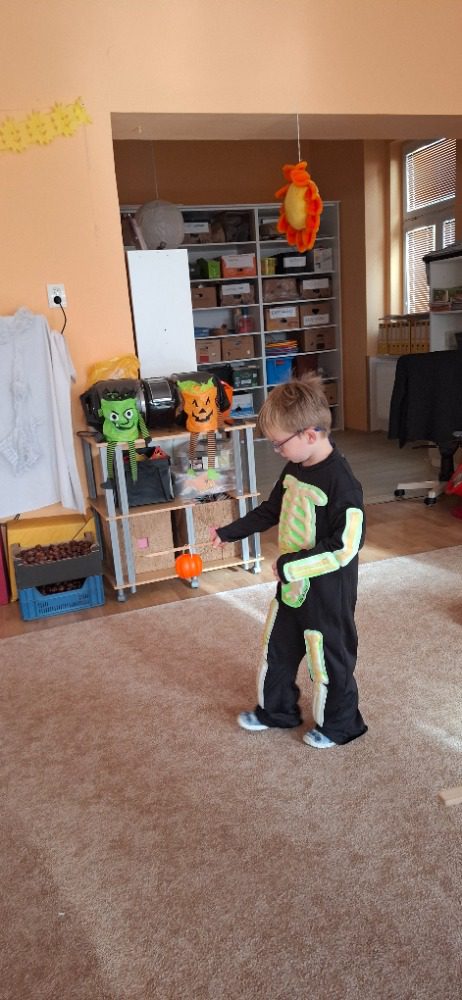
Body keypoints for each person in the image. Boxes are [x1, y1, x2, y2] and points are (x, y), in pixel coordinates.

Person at [209, 375, 367, 749]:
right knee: (276, 648)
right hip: (292, 588)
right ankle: (276, 711)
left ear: (310, 435)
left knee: (328, 659)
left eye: (279, 443)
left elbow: (346, 546)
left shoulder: (343, 483)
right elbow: (272, 509)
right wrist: (230, 532)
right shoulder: (296, 465)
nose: (276, 450)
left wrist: (290, 566)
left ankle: (341, 725)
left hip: (327, 593)